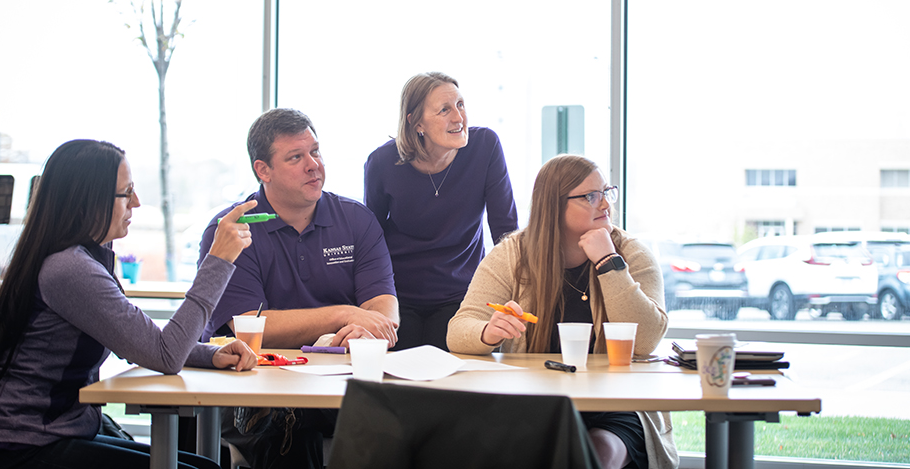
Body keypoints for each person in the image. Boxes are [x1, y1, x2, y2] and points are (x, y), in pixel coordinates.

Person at [0, 139, 258, 469]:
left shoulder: (81, 260)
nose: (137, 202)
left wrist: (210, 353)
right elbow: (165, 355)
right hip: (23, 445)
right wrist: (218, 260)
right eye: (126, 193)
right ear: (89, 200)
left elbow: (139, 341)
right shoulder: (69, 269)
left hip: (51, 433)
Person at [447, 154, 679, 469]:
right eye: (590, 196)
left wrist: (608, 262)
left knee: (598, 455)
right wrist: (488, 331)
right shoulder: (513, 254)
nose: (605, 205)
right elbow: (459, 330)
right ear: (554, 205)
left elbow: (646, 339)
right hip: (535, 399)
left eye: (606, 193)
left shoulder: (630, 253)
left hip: (619, 402)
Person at [199, 108, 399, 469]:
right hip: (257, 388)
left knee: (407, 427)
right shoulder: (232, 229)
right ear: (263, 170)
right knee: (291, 430)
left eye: (316, 152)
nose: (313, 165)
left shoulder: (356, 220)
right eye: (296, 157)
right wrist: (344, 315)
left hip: (342, 385)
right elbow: (250, 324)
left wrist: (367, 327)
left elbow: (384, 312)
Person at [364, 71, 518, 350]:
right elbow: (370, 239)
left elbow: (505, 231)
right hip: (399, 296)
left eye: (460, 105)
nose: (459, 118)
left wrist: (516, 290)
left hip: (462, 295)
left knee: (451, 376)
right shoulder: (383, 162)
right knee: (399, 377)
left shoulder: (485, 147)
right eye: (444, 110)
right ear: (416, 122)